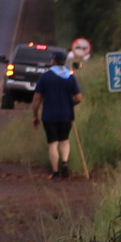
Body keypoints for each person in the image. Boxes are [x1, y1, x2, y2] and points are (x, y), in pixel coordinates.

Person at [34, 47, 82, 179]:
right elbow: (78, 98)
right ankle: (65, 162)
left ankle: (55, 172)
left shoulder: (45, 77)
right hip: (66, 115)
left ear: (53, 61)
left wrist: (35, 115)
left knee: (53, 143)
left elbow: (37, 99)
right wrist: (69, 104)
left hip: (49, 116)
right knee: (64, 140)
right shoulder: (70, 77)